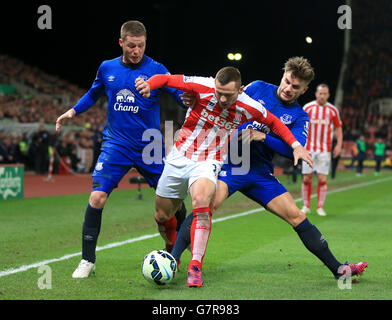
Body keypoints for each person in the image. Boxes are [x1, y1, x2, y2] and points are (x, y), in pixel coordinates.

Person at [171, 57, 368, 284]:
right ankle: (174, 260)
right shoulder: (257, 88)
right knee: (206, 205)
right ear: (282, 75)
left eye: (295, 87)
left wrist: (263, 137)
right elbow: (224, 102)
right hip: (231, 165)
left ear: (304, 89)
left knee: (297, 216)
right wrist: (189, 98)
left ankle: (339, 269)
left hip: (261, 174)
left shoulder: (300, 117)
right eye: (286, 81)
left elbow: (290, 149)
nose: (288, 89)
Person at [135, 65, 313, 287]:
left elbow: (275, 123)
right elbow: (168, 80)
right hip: (181, 155)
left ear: (239, 91)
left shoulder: (253, 106)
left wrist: (295, 145)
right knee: (162, 215)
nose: (220, 98)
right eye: (218, 92)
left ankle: (195, 266)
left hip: (213, 160)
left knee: (202, 202)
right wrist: (149, 85)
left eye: (227, 95)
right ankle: (173, 247)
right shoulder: (205, 86)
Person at [55, 20, 187, 278]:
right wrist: (72, 111)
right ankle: (87, 260)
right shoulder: (107, 68)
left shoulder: (157, 69)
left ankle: (177, 248)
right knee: (97, 197)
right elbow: (93, 94)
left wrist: (198, 100)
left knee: (172, 204)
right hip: (116, 144)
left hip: (150, 145)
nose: (137, 50)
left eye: (141, 46)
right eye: (132, 46)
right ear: (121, 43)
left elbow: (178, 93)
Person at [301, 84, 343, 216]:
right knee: (307, 178)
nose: (322, 96)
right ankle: (306, 205)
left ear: (328, 95)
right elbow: (300, 126)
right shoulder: (307, 107)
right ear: (316, 94)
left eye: (325, 93)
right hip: (308, 149)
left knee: (321, 178)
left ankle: (320, 207)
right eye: (320, 93)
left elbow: (338, 127)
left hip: (325, 150)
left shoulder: (332, 110)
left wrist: (339, 145)